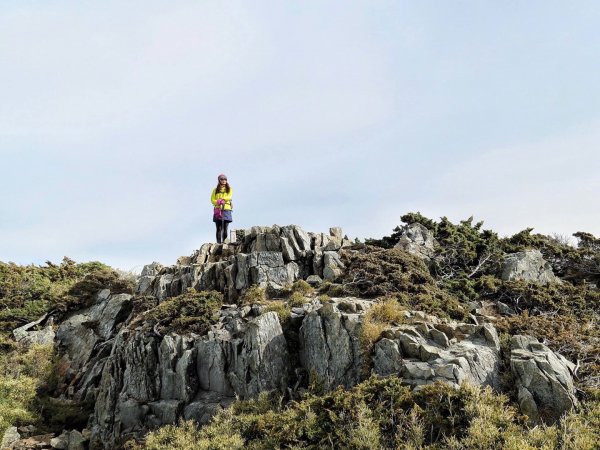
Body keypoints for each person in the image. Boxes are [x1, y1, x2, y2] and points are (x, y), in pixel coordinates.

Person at [211, 173, 233, 243]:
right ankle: (218, 243)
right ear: (219, 180)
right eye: (222, 179)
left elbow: (229, 197)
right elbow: (212, 200)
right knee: (218, 228)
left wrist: (221, 199)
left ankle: (224, 242)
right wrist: (218, 202)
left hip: (226, 209)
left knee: (225, 228)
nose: (224, 180)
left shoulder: (229, 189)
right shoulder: (215, 190)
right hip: (218, 210)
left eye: (225, 179)